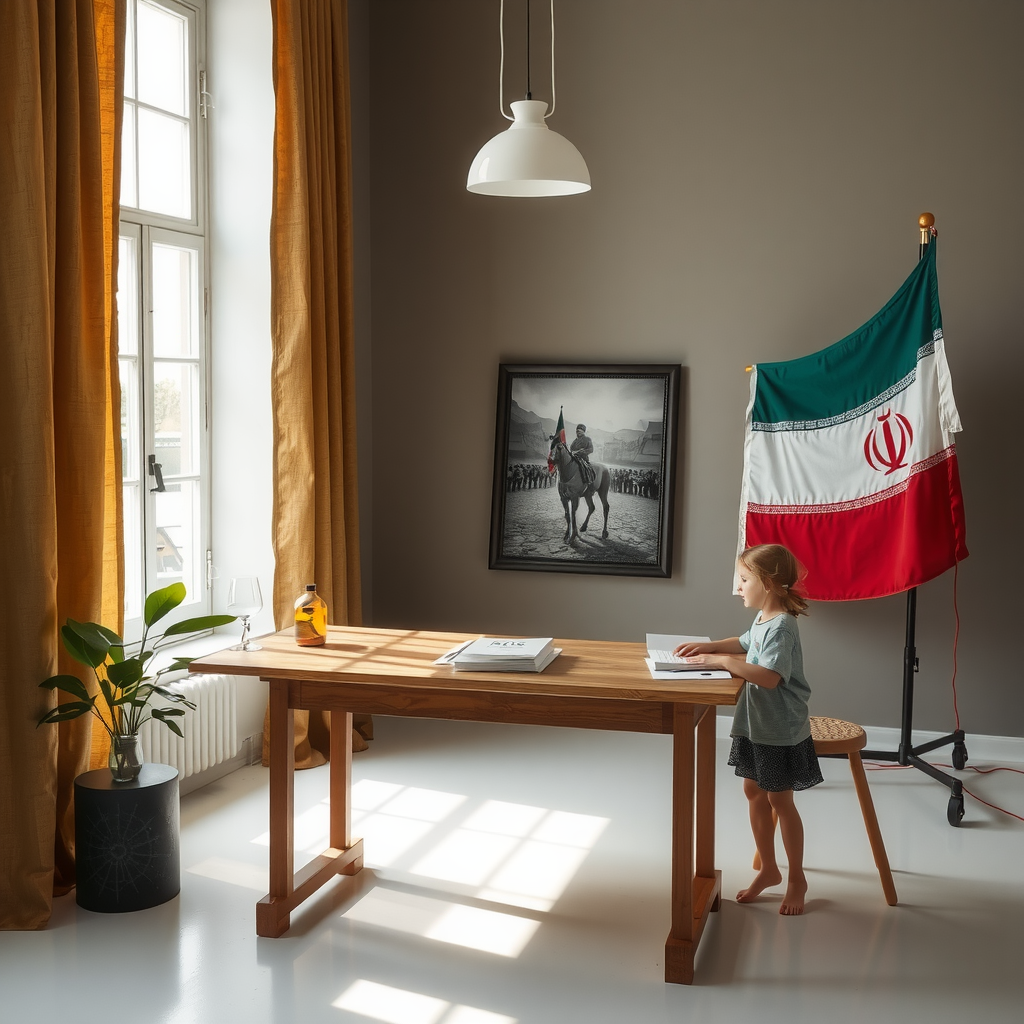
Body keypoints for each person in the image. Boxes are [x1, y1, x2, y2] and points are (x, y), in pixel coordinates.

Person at [674, 543, 822, 915]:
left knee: (780, 802)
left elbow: (770, 677)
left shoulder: (783, 626)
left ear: (768, 583)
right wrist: (707, 646)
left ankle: (797, 879)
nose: (738, 587)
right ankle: (769, 870)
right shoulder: (763, 619)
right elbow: (744, 644)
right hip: (756, 725)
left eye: (743, 579)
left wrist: (721, 659)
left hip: (779, 729)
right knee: (753, 791)